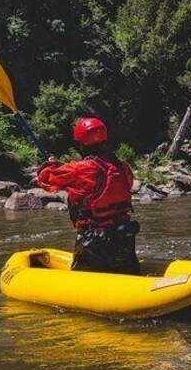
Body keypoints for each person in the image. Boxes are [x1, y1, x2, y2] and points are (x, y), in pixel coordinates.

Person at [37, 117, 141, 275]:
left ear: (82, 144)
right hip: (124, 241)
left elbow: (45, 179)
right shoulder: (122, 166)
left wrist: (50, 165)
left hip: (94, 243)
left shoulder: (81, 170)